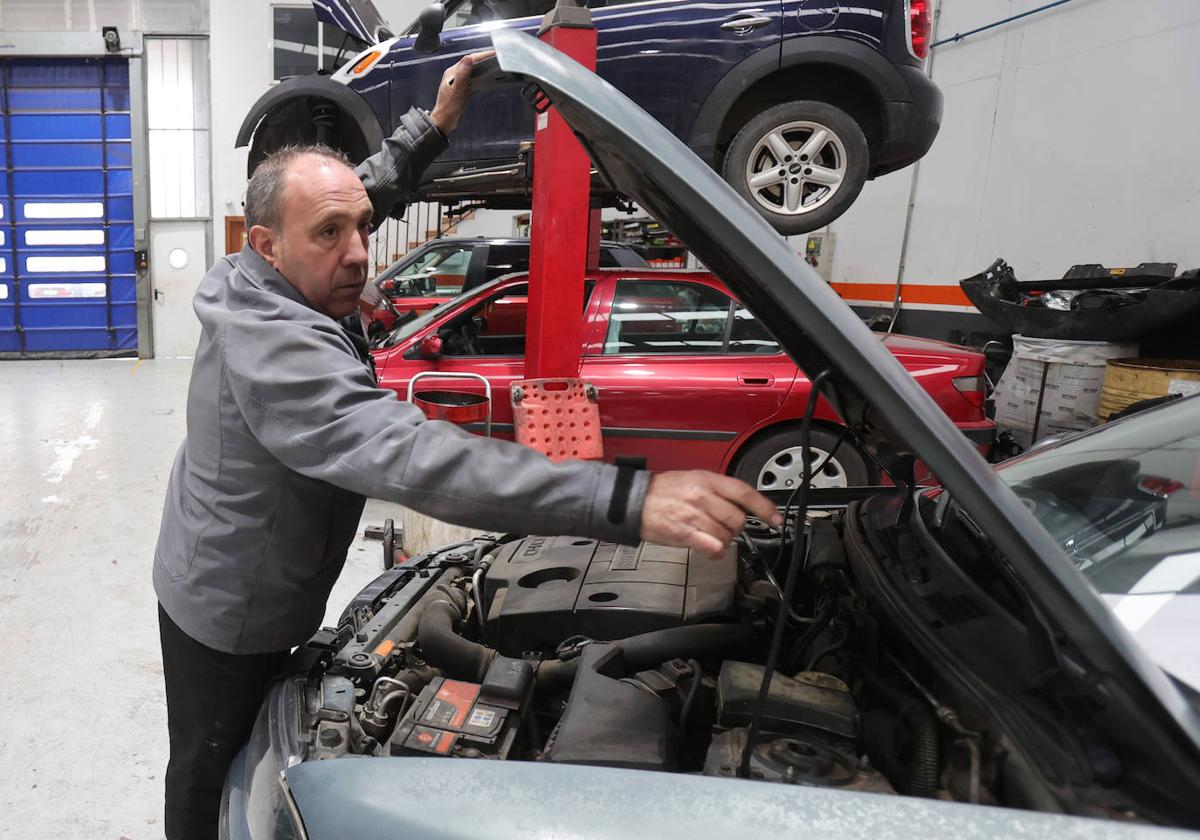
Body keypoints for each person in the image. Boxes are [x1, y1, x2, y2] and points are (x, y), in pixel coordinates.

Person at [153, 52, 780, 839]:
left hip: (263, 562)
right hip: (227, 603)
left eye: (362, 229)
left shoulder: (286, 260)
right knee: (208, 764)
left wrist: (434, 125)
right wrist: (627, 497)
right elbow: (413, 457)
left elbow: (362, 189)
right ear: (268, 248)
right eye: (329, 234)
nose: (358, 252)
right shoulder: (271, 344)